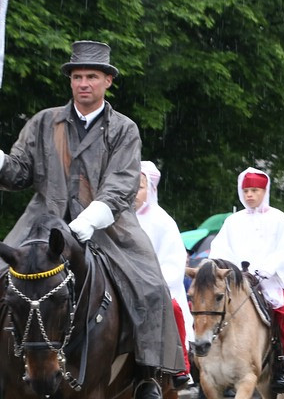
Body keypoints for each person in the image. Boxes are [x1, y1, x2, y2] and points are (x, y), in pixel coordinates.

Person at [0, 40, 184, 399]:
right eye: (78, 76)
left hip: (107, 227)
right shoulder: (43, 122)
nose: (84, 83)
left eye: (92, 76)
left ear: (107, 81)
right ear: (71, 81)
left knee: (150, 286)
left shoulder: (124, 129)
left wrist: (85, 223)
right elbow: (18, 173)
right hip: (42, 221)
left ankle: (148, 374)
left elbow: (120, 187)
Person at [209, 167, 284, 393]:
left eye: (254, 190)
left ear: (264, 191)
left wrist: (264, 270)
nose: (249, 195)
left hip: (268, 281)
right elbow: (220, 249)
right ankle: (207, 360)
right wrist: (230, 270)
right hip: (236, 282)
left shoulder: (279, 219)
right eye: (246, 191)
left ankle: (283, 362)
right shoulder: (233, 221)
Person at [136, 161, 195, 386]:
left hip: (155, 288)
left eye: (139, 187)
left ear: (151, 189)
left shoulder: (163, 222)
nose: (133, 192)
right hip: (119, 284)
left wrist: (151, 283)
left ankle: (181, 366)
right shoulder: (117, 218)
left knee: (174, 309)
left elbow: (173, 262)